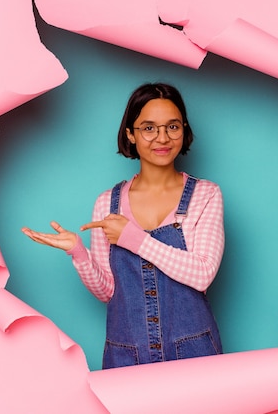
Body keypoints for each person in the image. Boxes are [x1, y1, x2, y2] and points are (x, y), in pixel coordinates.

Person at [22, 83, 224, 369]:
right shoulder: (108, 203)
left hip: (194, 350)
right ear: (131, 133)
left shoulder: (206, 195)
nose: (162, 137)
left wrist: (132, 237)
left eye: (172, 126)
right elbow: (108, 291)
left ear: (184, 129)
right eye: (149, 128)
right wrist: (78, 253)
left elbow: (201, 273)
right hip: (127, 354)